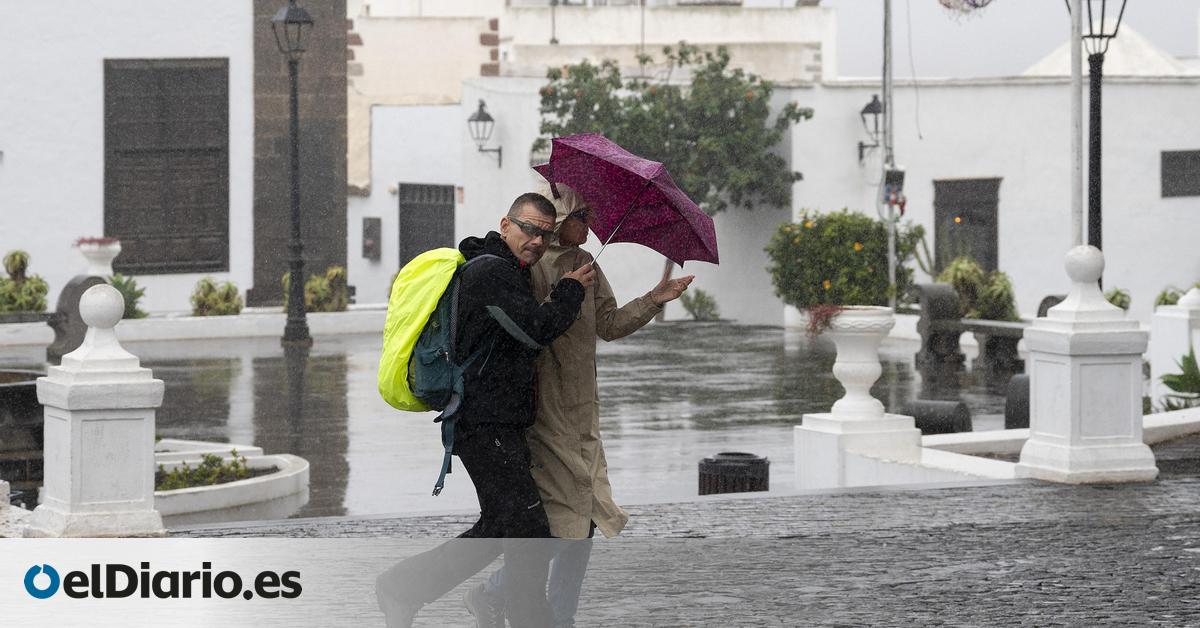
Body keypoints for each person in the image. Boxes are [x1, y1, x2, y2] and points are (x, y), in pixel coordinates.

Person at [465, 183, 694, 628]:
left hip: (583, 412)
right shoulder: (526, 267)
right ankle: (522, 604)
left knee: (582, 521)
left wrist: (654, 299)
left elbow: (608, 324)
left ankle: (501, 596)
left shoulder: (587, 264)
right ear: (559, 221)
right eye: (581, 216)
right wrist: (560, 290)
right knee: (566, 522)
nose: (590, 225)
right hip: (544, 414)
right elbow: (529, 328)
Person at [376, 192, 597, 628]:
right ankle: (531, 619)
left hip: (493, 422)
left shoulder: (506, 271)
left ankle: (402, 588)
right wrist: (571, 290)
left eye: (545, 234)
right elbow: (536, 331)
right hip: (483, 423)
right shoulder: (491, 273)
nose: (536, 241)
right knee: (527, 530)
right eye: (530, 229)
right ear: (506, 224)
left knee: (504, 526)